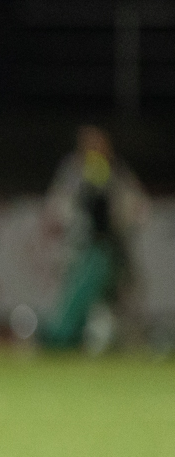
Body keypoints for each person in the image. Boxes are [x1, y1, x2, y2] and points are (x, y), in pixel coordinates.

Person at [37, 125, 150, 350]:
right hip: (82, 248)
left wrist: (119, 218)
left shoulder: (116, 170)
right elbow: (58, 206)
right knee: (79, 296)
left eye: (99, 144)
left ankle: (123, 342)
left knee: (122, 299)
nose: (95, 149)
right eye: (89, 144)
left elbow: (139, 207)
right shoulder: (73, 170)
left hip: (113, 248)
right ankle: (63, 337)